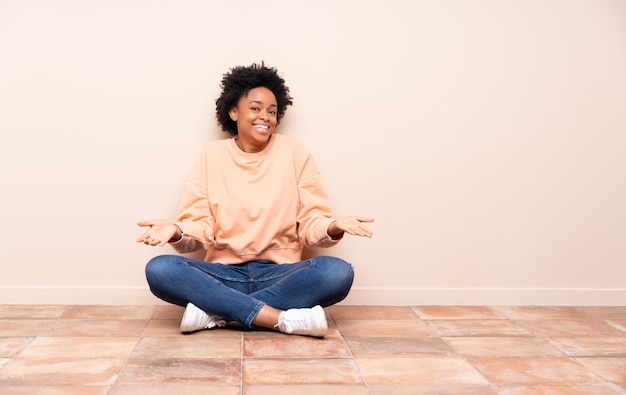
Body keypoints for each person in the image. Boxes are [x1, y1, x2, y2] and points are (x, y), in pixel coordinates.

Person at [136, 62, 373, 337]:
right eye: (256, 108)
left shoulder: (294, 151)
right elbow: (198, 230)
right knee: (160, 269)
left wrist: (333, 227)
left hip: (281, 274)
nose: (266, 117)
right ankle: (279, 319)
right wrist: (176, 232)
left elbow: (311, 225)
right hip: (223, 276)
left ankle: (219, 313)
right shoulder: (211, 156)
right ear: (233, 111)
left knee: (338, 272)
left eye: (272, 111)